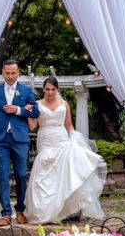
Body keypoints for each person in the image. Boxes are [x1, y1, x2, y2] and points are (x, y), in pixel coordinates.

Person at [24, 76, 106, 224]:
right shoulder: (36, 104)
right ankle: (44, 210)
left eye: (53, 89)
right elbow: (32, 126)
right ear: (43, 89)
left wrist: (74, 138)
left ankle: (63, 209)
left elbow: (68, 125)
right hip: (45, 139)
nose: (50, 92)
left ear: (57, 89)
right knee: (44, 169)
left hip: (61, 138)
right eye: (47, 89)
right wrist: (29, 113)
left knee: (64, 170)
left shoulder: (65, 104)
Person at [0, 59, 40, 226]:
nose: (10, 76)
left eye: (13, 73)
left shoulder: (26, 91)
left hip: (20, 139)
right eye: (7, 73)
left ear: (18, 72)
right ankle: (6, 213)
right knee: (3, 176)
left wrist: (18, 110)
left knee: (21, 175)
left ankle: (20, 210)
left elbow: (36, 111)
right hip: (0, 139)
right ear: (2, 72)